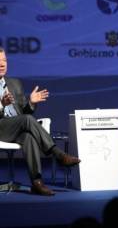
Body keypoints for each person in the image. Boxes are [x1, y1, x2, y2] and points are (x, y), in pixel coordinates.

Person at [0, 47, 81, 196]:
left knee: (29, 137)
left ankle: (37, 182)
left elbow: (25, 114)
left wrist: (31, 102)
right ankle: (58, 154)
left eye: (4, 60)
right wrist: (1, 105)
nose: (2, 64)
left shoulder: (14, 83)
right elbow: (25, 119)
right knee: (27, 120)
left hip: (16, 126)